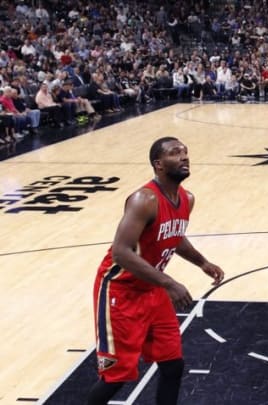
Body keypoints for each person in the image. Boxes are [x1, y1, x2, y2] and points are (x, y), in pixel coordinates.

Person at [88, 137, 225, 405]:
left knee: (172, 366)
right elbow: (121, 251)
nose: (184, 156)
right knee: (117, 378)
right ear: (158, 164)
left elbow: (174, 234)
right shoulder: (144, 199)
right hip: (120, 291)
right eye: (176, 153)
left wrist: (202, 262)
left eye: (185, 152)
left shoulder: (187, 198)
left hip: (152, 289)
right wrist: (170, 283)